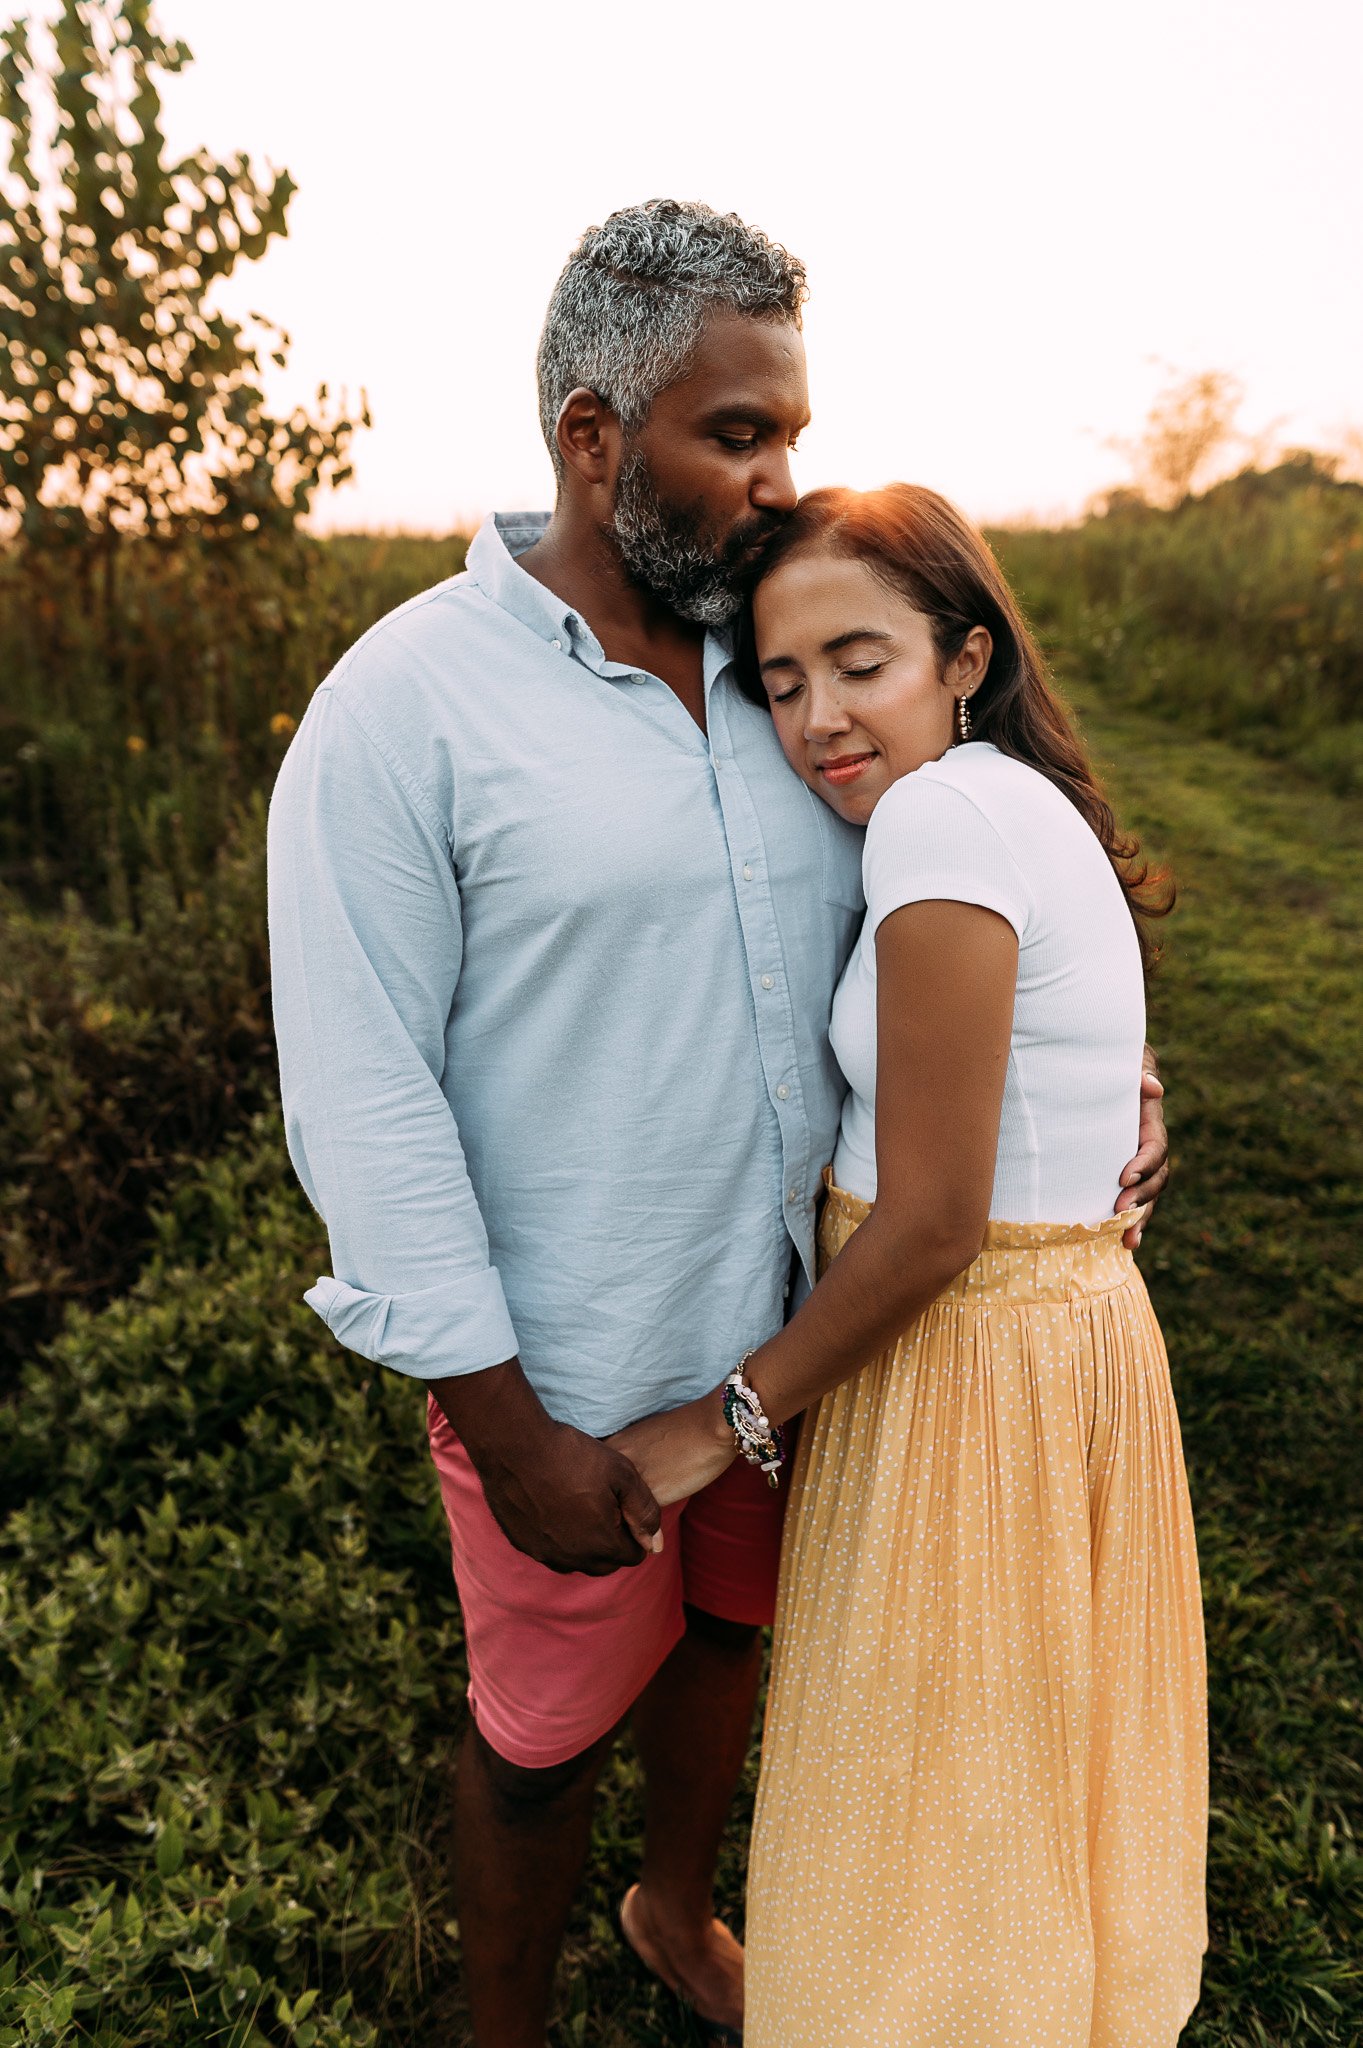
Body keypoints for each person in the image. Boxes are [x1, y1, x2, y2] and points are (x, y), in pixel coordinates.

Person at [267, 201, 1171, 2048]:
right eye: (736, 434)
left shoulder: (786, 680)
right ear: (594, 435)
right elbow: (366, 1094)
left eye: (792, 437)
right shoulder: (402, 712)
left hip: (811, 1341)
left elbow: (955, 929)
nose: (777, 483)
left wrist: (1103, 1081)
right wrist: (501, 1419)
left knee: (735, 1648)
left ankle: (677, 1910)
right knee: (535, 1743)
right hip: (576, 1373)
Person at [613, 483, 1208, 2047]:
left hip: (968, 1363)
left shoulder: (942, 816)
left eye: (858, 662)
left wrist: (717, 1425)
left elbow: (938, 1218)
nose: (817, 718)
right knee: (999, 1784)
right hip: (1051, 1337)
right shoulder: (1000, 797)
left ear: (963, 653)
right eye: (784, 679)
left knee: (926, 1797)